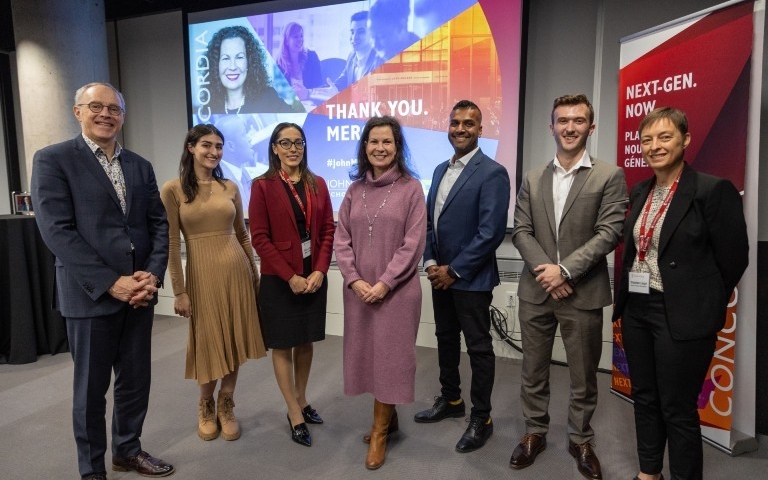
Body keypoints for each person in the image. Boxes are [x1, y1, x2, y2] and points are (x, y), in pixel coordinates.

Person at [30, 82, 173, 480]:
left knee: (135, 384)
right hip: (90, 297)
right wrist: (112, 282)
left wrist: (152, 274)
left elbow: (158, 226)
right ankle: (92, 470)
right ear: (78, 112)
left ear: (123, 116)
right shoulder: (53, 160)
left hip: (139, 296)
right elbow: (57, 231)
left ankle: (127, 451)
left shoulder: (140, 165)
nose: (105, 114)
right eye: (96, 106)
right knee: (90, 394)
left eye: (114, 108)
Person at [613, 107, 748, 480]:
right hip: (638, 311)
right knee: (644, 397)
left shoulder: (711, 190)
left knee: (678, 408)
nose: (654, 146)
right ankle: (649, 472)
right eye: (647, 139)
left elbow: (734, 258)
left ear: (685, 140)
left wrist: (701, 302)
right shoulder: (640, 190)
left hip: (682, 316)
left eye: (665, 137)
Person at [510, 94, 628, 480]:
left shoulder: (609, 176)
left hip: (583, 292)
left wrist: (565, 271)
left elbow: (609, 232)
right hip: (536, 291)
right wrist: (548, 272)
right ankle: (534, 432)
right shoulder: (531, 177)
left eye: (578, 121)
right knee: (533, 370)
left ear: (591, 127)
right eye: (563, 121)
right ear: (552, 127)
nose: (570, 127)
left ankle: (581, 439)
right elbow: (522, 231)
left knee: (582, 374)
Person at [160, 124, 267, 443]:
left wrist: (254, 272)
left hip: (236, 271)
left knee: (235, 339)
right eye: (206, 145)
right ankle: (205, 405)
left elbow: (243, 235)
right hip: (201, 275)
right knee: (208, 341)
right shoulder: (173, 189)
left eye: (219, 146)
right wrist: (179, 290)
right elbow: (170, 241)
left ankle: (226, 404)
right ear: (191, 147)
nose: (214, 152)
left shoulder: (231, 186)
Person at [415, 100, 510, 454]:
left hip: (470, 278)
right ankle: (451, 400)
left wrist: (453, 271)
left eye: (469, 123)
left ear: (481, 129)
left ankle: (481, 417)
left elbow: (491, 232)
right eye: (455, 122)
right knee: (445, 338)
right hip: (439, 275)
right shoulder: (440, 169)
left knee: (479, 348)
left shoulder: (493, 171)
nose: (460, 128)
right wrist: (430, 264)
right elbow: (428, 222)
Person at [334, 116, 427, 469]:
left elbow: (413, 244)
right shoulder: (354, 190)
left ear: (397, 147)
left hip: (397, 292)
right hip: (359, 291)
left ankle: (379, 432)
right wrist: (355, 280)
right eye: (374, 142)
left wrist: (384, 283)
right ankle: (390, 418)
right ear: (365, 146)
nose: (380, 148)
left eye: (387, 142)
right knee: (367, 356)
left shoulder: (411, 188)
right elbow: (342, 239)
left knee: (391, 359)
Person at [249, 123, 335, 447]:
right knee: (283, 344)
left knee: (306, 341)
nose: (293, 148)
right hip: (280, 279)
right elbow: (259, 238)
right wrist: (290, 276)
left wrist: (321, 270)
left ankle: (301, 399)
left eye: (298, 142)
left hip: (313, 276)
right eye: (285, 142)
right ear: (274, 148)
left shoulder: (319, 184)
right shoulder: (262, 186)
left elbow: (327, 231)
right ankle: (293, 411)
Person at [208, 25, 292, 114]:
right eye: (226, 58)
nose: (232, 67)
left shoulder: (268, 98)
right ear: (216, 65)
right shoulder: (209, 108)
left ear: (250, 62)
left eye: (239, 57)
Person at [324, 11, 377, 92]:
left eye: (361, 31)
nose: (354, 37)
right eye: (352, 32)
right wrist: (311, 92)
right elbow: (339, 84)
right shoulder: (351, 56)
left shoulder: (379, 60)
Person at [276, 22, 323, 102]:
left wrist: (308, 94)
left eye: (301, 36)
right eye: (295, 37)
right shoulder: (279, 64)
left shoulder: (312, 57)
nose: (300, 39)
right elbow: (278, 94)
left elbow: (320, 87)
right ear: (287, 41)